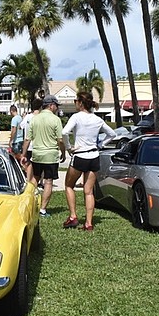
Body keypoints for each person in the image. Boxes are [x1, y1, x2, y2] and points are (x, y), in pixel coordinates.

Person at [60, 92, 116, 231]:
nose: (75, 103)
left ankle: (73, 216)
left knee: (69, 185)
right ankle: (89, 223)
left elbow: (64, 132)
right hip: (94, 156)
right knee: (89, 191)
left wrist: (69, 148)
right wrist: (100, 145)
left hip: (80, 155)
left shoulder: (76, 117)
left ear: (80, 102)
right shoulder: (97, 119)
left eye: (76, 101)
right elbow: (112, 134)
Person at [22, 95, 65, 218]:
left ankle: (28, 203)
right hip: (51, 155)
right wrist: (63, 152)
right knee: (48, 181)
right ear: (51, 105)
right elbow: (60, 140)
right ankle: (43, 209)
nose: (57, 108)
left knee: (34, 179)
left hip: (37, 154)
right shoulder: (56, 120)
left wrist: (23, 154)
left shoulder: (34, 119)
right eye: (56, 106)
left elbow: (27, 139)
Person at [20, 98, 43, 184]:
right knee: (40, 164)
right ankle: (40, 182)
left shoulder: (28, 117)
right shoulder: (41, 117)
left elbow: (21, 126)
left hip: (28, 145)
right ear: (41, 107)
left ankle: (28, 181)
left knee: (29, 164)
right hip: (38, 144)